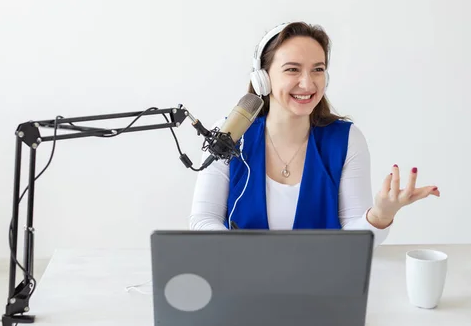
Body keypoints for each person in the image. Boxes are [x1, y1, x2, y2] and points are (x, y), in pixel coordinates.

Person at [188, 21, 440, 247]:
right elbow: (202, 221)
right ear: (263, 78)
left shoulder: (347, 140)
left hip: (322, 286)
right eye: (292, 69)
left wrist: (380, 216)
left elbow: (356, 242)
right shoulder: (231, 133)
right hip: (243, 281)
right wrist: (242, 255)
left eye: (317, 69)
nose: (308, 84)